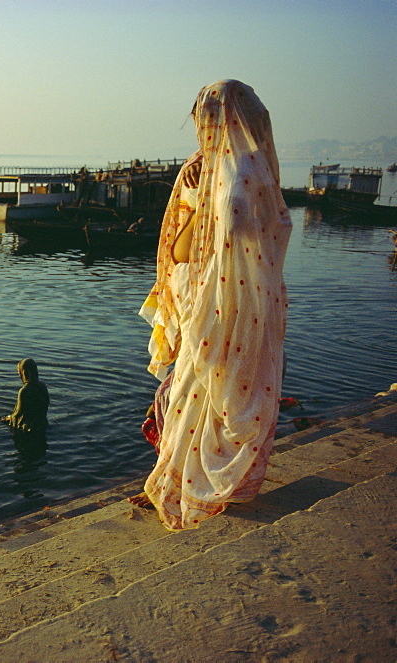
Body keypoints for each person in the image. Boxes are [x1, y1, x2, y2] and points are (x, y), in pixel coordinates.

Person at [130, 80, 292, 530]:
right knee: (190, 394)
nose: (201, 127)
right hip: (213, 301)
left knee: (210, 395)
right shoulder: (216, 167)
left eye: (206, 118)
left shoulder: (239, 171)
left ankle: (199, 486)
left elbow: (237, 235)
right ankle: (179, 481)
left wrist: (206, 202)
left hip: (228, 304)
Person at [2, 358, 49, 435]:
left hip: (28, 429)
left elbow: (18, 414)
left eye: (19, 373)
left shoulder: (24, 391)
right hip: (43, 425)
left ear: (23, 373)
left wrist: (8, 419)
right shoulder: (42, 386)